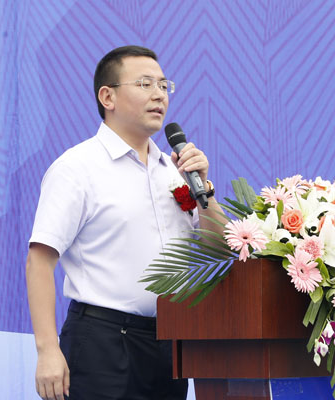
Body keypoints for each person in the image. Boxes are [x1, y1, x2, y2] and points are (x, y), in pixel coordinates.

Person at [26, 45, 224, 400]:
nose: (159, 95)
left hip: (169, 344)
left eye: (163, 85)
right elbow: (39, 261)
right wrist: (47, 349)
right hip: (102, 343)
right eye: (145, 84)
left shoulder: (175, 172)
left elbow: (218, 249)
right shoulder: (77, 168)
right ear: (108, 97)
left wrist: (204, 188)